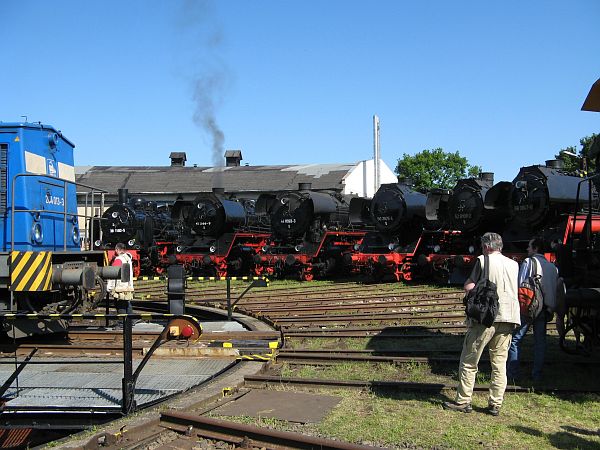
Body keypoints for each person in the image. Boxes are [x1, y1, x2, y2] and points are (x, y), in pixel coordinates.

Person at [443, 232, 520, 416]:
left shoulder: (483, 260)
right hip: (509, 317)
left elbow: (470, 285)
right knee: (499, 363)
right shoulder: (514, 264)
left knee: (469, 360)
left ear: (486, 246)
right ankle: (495, 404)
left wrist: (469, 292)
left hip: (486, 317)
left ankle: (463, 400)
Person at [507, 237, 558, 382]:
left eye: (529, 247)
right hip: (545, 308)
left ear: (535, 248)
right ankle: (537, 374)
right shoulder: (552, 266)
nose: (527, 249)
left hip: (529, 307)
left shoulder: (529, 262)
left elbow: (520, 284)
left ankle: (513, 374)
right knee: (540, 342)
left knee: (516, 340)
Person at [107, 243, 135, 318]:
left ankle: (121, 323)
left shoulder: (119, 259)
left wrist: (109, 287)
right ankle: (130, 321)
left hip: (120, 287)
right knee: (127, 303)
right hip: (128, 285)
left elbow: (113, 274)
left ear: (117, 250)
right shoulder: (128, 259)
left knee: (120, 305)